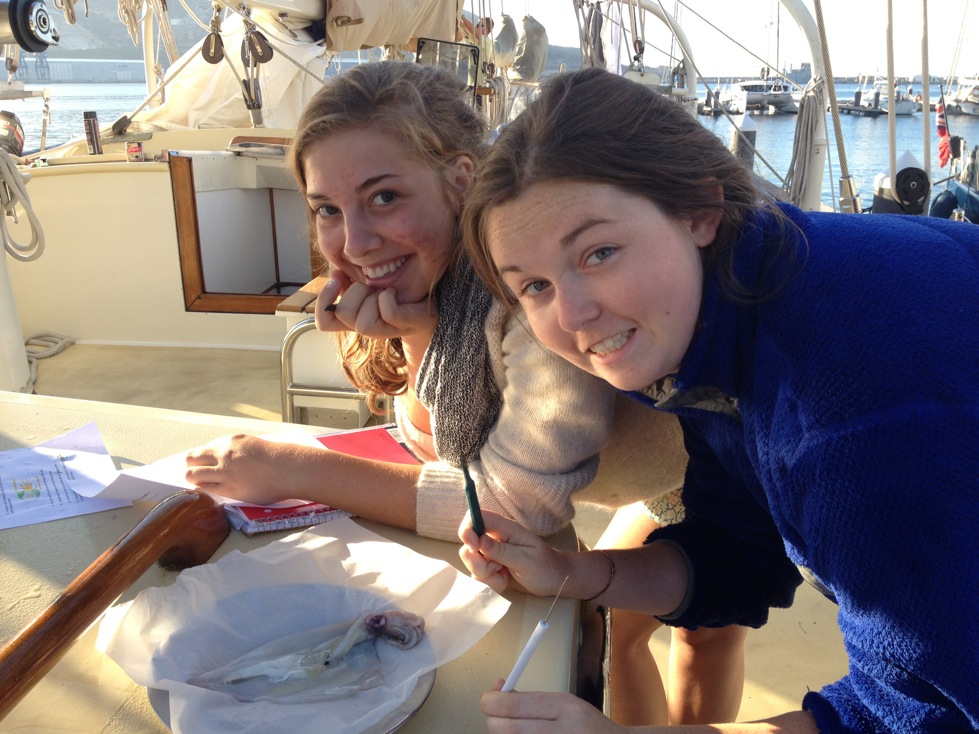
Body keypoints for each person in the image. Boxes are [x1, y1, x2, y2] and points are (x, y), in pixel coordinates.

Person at [183, 61, 743, 725]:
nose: (354, 242)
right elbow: (449, 454)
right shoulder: (434, 295)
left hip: (704, 458)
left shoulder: (530, 293)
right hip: (630, 470)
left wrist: (293, 469)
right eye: (327, 210)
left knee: (702, 632)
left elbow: (511, 505)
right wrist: (417, 334)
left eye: (384, 197)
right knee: (620, 632)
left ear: (461, 180)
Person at [459, 67, 978, 732]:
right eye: (533, 286)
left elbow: (928, 714)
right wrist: (572, 572)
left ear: (700, 212)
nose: (572, 313)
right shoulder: (727, 310)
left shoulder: (845, 407)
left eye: (598, 253)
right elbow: (735, 553)